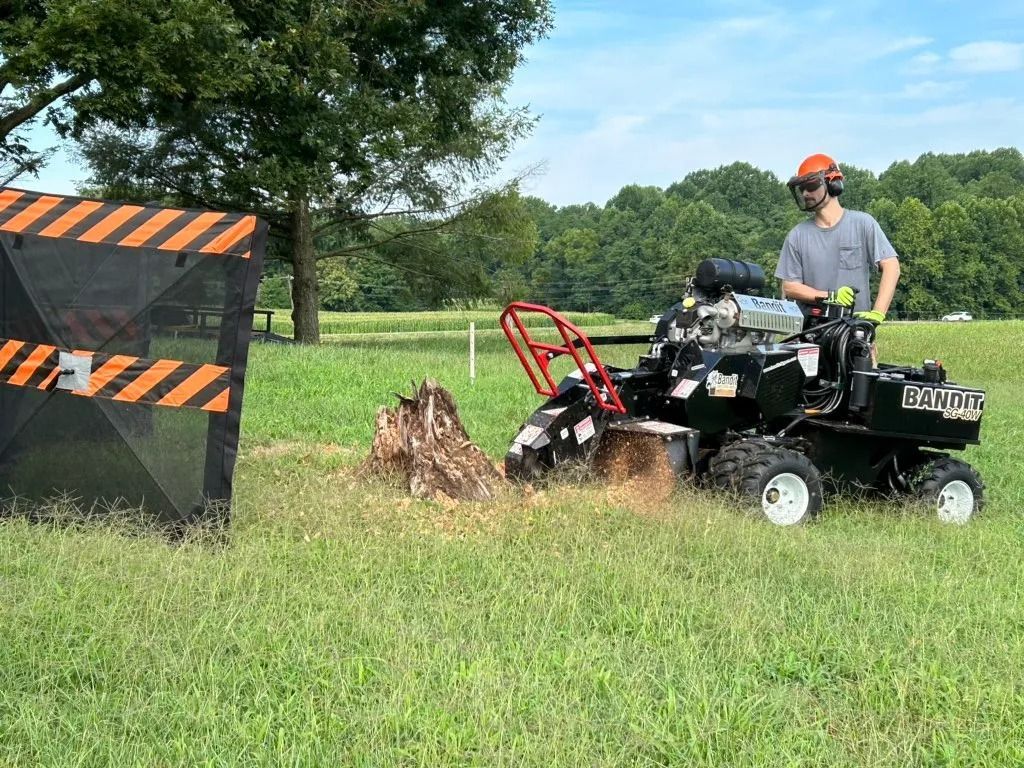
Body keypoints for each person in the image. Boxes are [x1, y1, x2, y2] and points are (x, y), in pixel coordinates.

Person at [775, 153, 900, 325]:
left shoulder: (863, 224)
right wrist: (830, 296)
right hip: (811, 333)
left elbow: (891, 266)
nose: (805, 193)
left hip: (855, 333)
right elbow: (789, 287)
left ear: (832, 183)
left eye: (810, 186)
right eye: (801, 188)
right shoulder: (797, 236)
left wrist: (878, 313)